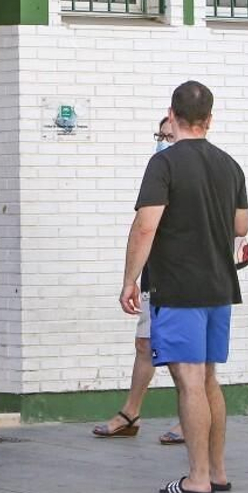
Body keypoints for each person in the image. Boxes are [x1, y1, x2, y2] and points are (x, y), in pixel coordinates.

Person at [121, 82, 248, 493]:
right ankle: (218, 472)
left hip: (178, 286)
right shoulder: (230, 165)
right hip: (220, 286)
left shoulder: (164, 163)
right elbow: (241, 226)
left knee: (189, 380)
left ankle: (197, 478)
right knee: (209, 378)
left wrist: (130, 280)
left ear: (172, 115)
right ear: (209, 119)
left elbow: (146, 226)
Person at [94, 116, 183, 445]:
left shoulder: (185, 173)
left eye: (169, 136)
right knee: (145, 343)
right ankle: (131, 413)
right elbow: (143, 225)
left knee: (177, 352)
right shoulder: (159, 170)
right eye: (160, 135)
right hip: (154, 272)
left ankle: (190, 418)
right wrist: (132, 276)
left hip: (180, 276)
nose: (163, 141)